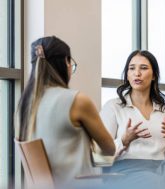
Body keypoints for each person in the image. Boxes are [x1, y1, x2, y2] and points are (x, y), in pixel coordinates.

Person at [15, 36, 115, 189]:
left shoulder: (25, 104)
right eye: (71, 63)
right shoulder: (77, 100)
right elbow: (109, 149)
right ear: (66, 63)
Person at [100, 50, 165, 189]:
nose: (137, 73)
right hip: (125, 173)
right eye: (131, 68)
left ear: (154, 76)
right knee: (154, 180)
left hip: (162, 171)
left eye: (143, 68)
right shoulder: (113, 107)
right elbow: (99, 156)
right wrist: (123, 140)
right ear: (127, 74)